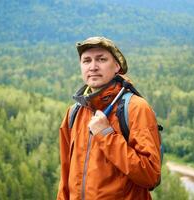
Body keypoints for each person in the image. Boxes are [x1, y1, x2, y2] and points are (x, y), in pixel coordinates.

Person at [57, 36, 161, 200]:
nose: (93, 67)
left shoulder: (136, 109)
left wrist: (106, 135)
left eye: (101, 59)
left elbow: (150, 175)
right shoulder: (73, 113)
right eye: (86, 61)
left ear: (117, 66)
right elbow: (65, 177)